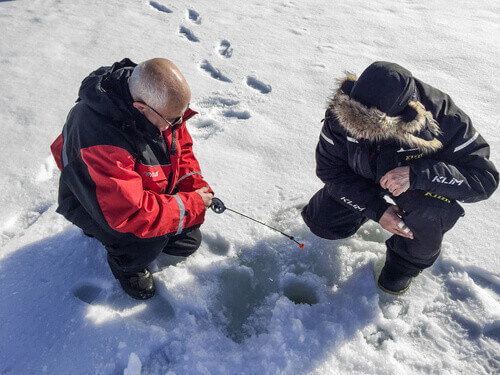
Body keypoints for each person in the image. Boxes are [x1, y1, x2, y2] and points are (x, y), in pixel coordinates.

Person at [302, 61, 498, 295]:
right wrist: (376, 210)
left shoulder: (446, 118)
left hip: (418, 190)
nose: (360, 133)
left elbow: (484, 179)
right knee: (321, 222)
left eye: (371, 127)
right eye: (352, 123)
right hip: (363, 177)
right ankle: (367, 213)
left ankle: (404, 263)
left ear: (404, 117)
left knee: (430, 214)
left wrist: (418, 175)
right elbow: (330, 170)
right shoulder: (341, 111)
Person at [50, 58, 213, 300]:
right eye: (173, 120)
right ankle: (125, 263)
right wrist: (191, 205)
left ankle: (148, 235)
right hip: (100, 204)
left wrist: (194, 186)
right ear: (140, 108)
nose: (178, 124)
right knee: (145, 241)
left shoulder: (162, 105)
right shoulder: (99, 138)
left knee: (186, 238)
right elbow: (131, 213)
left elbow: (181, 149)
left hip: (136, 189)